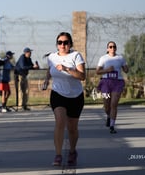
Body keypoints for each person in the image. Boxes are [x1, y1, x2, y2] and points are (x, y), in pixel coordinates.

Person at [42, 32, 86, 166]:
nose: (63, 45)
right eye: (60, 42)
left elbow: (82, 76)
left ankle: (72, 151)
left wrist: (67, 69)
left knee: (72, 128)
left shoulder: (76, 56)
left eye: (66, 42)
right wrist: (46, 80)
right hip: (58, 94)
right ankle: (58, 155)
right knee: (60, 122)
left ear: (70, 44)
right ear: (57, 44)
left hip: (75, 96)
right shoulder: (52, 57)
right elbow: (50, 69)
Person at [96, 41, 128, 134]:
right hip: (106, 83)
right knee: (107, 106)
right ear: (107, 49)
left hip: (117, 82)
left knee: (114, 104)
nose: (112, 48)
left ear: (116, 48)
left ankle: (112, 126)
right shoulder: (103, 58)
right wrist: (107, 70)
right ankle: (109, 116)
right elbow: (98, 71)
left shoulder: (120, 58)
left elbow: (126, 69)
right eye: (110, 47)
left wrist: (126, 68)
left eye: (114, 46)